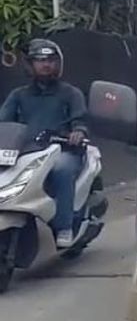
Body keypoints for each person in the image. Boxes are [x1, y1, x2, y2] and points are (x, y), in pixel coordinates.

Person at [0, 39, 89, 247]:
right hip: (28, 152)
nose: (45, 64)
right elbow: (3, 122)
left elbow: (81, 120)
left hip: (63, 150)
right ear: (30, 65)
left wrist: (77, 132)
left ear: (58, 64)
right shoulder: (18, 95)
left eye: (50, 60)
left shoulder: (70, 93)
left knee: (62, 171)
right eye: (39, 60)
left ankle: (64, 227)